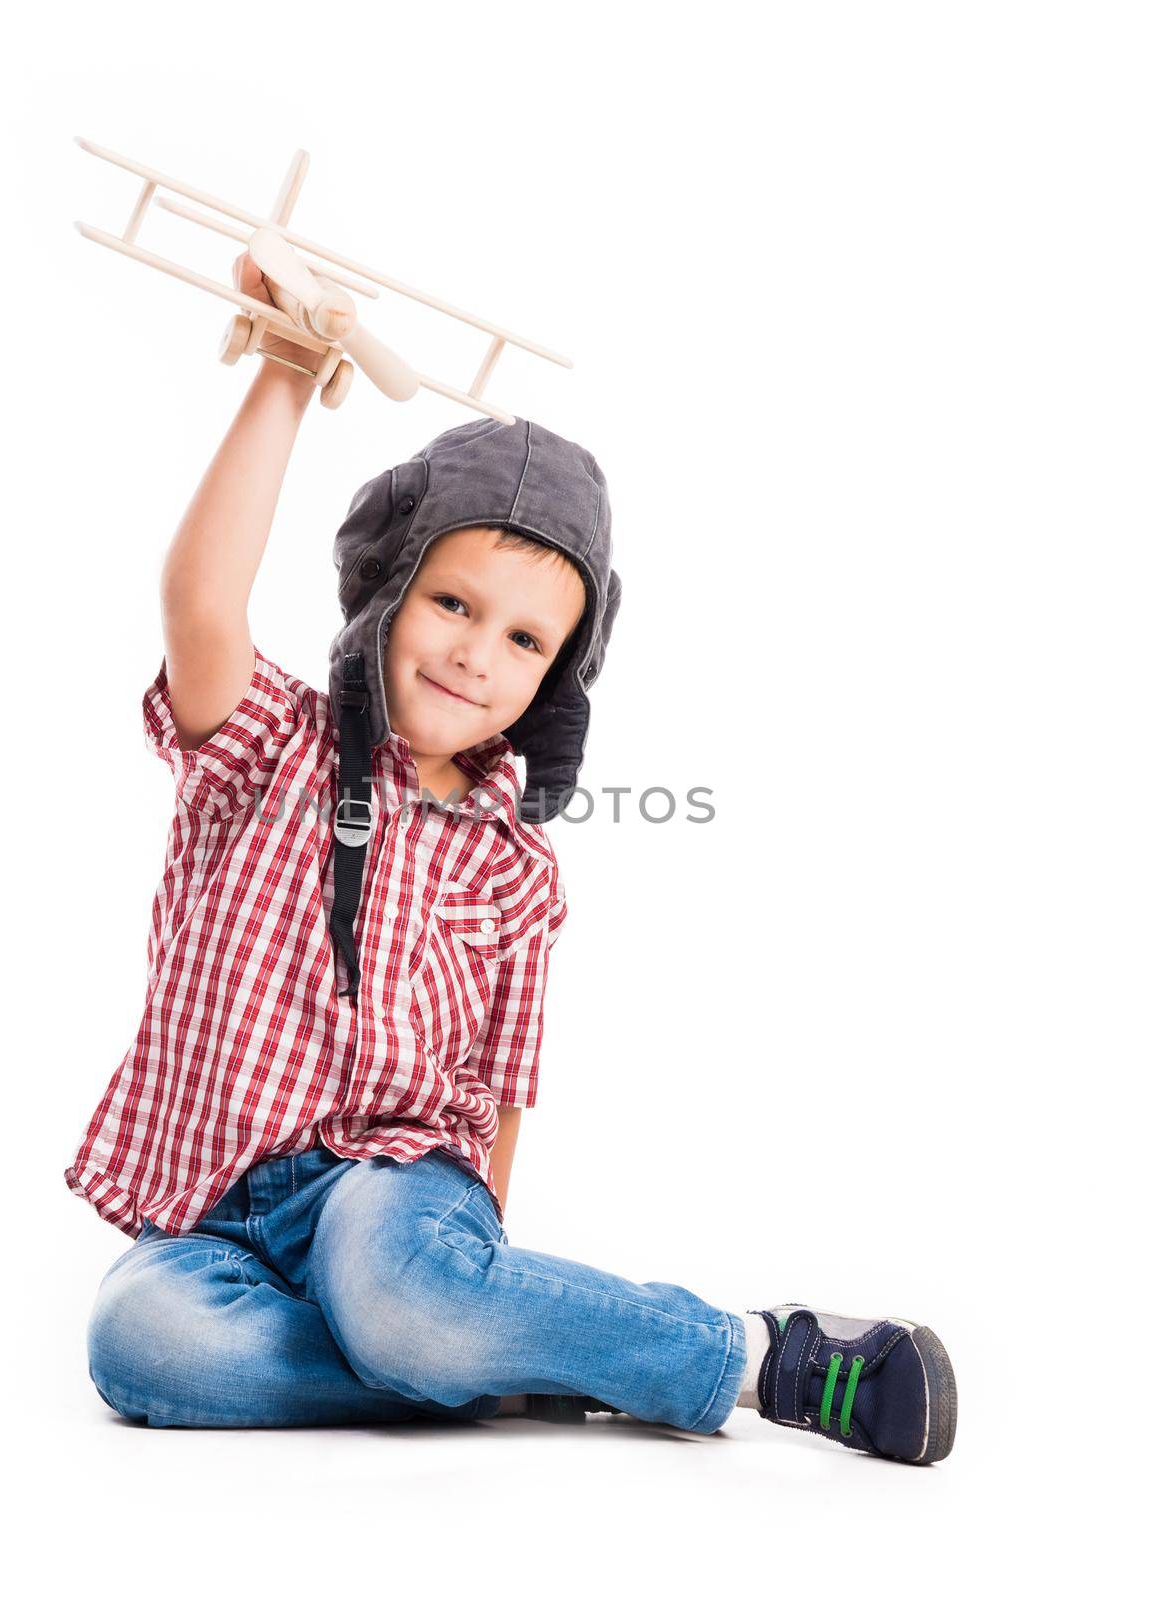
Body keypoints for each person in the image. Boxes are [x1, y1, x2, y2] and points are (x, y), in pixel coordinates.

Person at [65, 252, 958, 1463]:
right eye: (451, 604)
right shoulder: (272, 744)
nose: (475, 653)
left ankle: (754, 1355)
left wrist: (462, 1272)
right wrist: (284, 369)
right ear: (387, 591)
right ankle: (499, 1356)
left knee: (407, 1299)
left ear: (551, 680)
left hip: (392, 1192)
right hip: (216, 1213)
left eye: (523, 637)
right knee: (141, 1342)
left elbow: (499, 1089)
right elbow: (202, 607)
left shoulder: (512, 868)